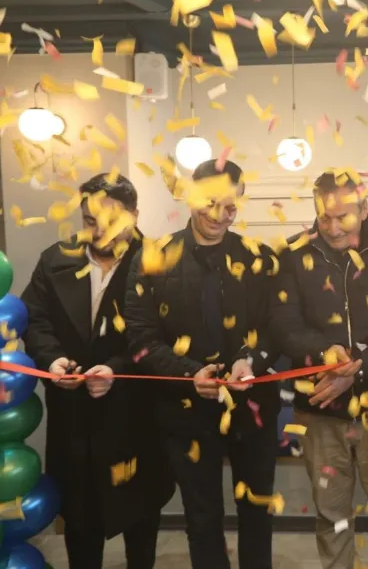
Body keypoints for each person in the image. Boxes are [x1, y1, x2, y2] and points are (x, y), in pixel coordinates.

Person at [124, 159, 280, 569]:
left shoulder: (259, 257)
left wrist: (250, 360)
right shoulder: (153, 257)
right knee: (202, 517)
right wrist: (189, 373)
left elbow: (274, 327)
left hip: (252, 405)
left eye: (230, 207)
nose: (219, 215)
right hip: (185, 409)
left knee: (257, 511)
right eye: (210, 202)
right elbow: (141, 338)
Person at [21, 173, 174, 569]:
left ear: (134, 214)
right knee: (80, 522)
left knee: (140, 522)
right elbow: (35, 319)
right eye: (90, 221)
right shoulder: (55, 259)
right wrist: (52, 359)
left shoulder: (161, 262)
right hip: (75, 418)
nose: (100, 231)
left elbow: (168, 335)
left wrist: (117, 369)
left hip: (137, 416)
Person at [270, 168, 368, 569]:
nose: (333, 228)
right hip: (318, 408)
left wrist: (358, 368)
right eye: (324, 218)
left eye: (343, 217)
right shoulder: (293, 253)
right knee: (331, 516)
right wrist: (325, 354)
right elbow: (284, 325)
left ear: (364, 208)